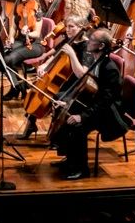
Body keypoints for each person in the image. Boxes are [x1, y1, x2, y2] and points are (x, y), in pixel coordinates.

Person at [50, 28, 129, 179]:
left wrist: (82, 116)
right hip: (97, 104)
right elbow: (86, 87)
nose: (88, 40)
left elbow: (106, 101)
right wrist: (65, 101)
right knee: (64, 110)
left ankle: (81, 169)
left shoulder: (109, 68)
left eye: (92, 39)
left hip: (109, 113)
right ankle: (70, 159)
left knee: (77, 124)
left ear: (100, 46)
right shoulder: (96, 60)